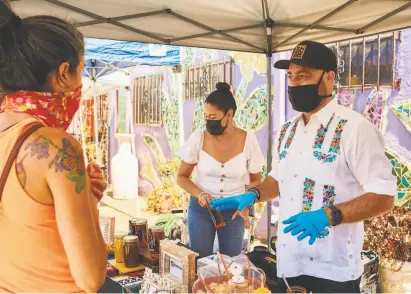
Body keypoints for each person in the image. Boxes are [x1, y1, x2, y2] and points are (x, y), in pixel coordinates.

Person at [210, 41, 396, 293]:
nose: (295, 84)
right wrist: (252, 194)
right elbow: (278, 179)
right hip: (290, 264)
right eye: (291, 77)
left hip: (333, 270)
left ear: (329, 78)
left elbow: (384, 196)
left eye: (303, 76)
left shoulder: (355, 129)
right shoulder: (288, 130)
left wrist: (328, 215)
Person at [0, 1, 108, 292]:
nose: (80, 83)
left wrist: (80, 196)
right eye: (80, 72)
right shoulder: (57, 148)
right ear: (63, 73)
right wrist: (88, 205)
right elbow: (90, 278)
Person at [177, 82, 265, 258]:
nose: (209, 122)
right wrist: (200, 193)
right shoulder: (198, 138)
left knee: (231, 263)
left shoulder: (248, 139)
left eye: (213, 117)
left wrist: (246, 203)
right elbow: (181, 177)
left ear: (229, 115)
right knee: (200, 260)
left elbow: (257, 180)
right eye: (206, 117)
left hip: (235, 211)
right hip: (202, 210)